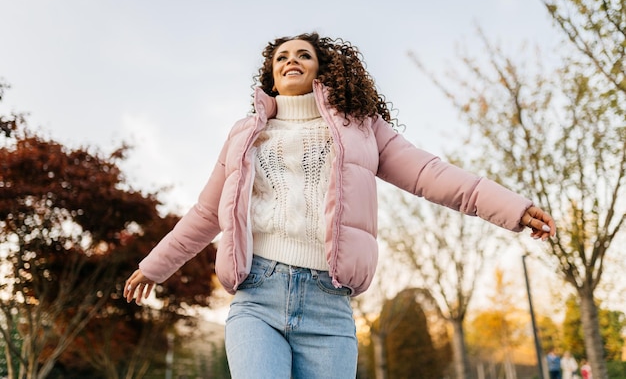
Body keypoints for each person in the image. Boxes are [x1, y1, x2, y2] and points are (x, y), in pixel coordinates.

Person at [123, 32, 557, 379]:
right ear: (271, 78)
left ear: (320, 70)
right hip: (257, 295)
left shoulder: (361, 128)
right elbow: (205, 212)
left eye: (303, 55)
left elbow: (429, 175)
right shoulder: (244, 134)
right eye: (281, 57)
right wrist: (155, 265)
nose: (291, 59)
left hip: (327, 304)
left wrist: (513, 208)